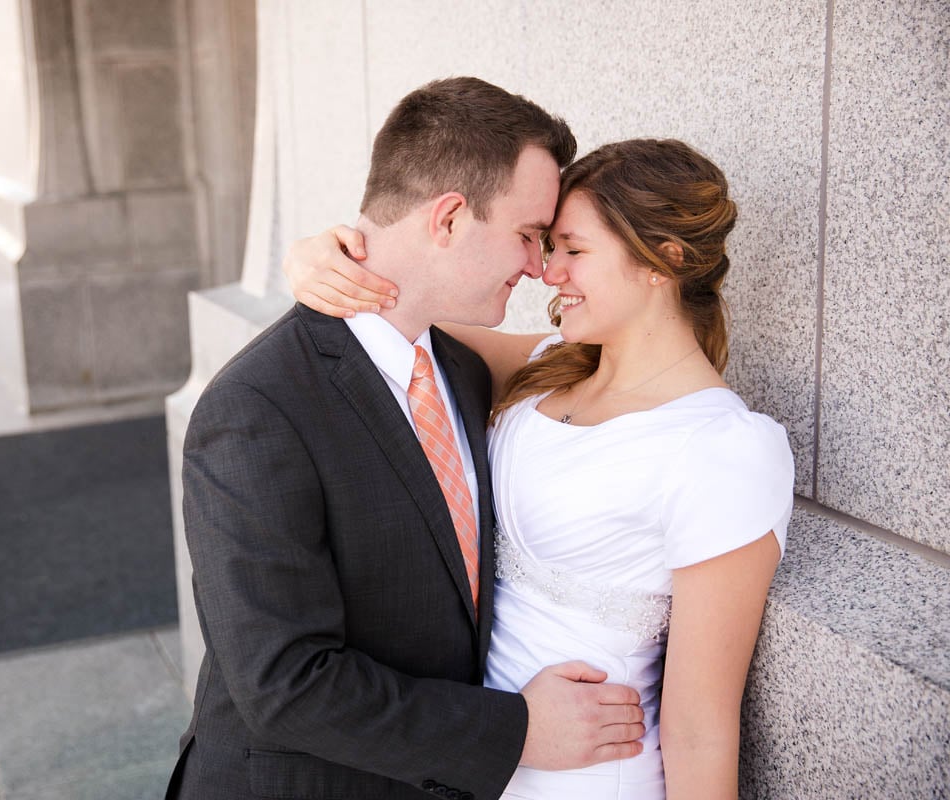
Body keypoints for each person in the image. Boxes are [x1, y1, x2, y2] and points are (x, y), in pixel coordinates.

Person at [166, 77, 647, 800]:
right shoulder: (256, 406)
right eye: (526, 235)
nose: (536, 267)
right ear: (449, 217)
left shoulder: (462, 370)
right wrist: (517, 731)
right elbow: (284, 684)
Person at [284, 137, 795, 799]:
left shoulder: (724, 448)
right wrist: (317, 257)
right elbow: (388, 310)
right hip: (478, 757)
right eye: (549, 247)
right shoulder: (545, 364)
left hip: (592, 779)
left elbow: (700, 725)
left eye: (573, 251)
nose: (548, 273)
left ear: (662, 261)